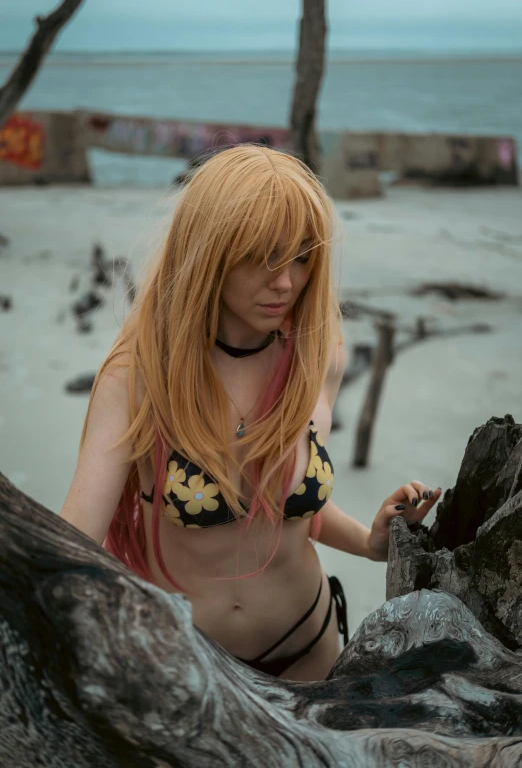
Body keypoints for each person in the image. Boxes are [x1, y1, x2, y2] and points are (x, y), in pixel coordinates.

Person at [60, 145, 441, 681]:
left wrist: (371, 541)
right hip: (181, 662)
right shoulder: (140, 376)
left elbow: (284, 511)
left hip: (308, 643)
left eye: (302, 257)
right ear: (208, 250)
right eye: (262, 255)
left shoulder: (318, 355)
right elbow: (72, 542)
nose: (285, 282)